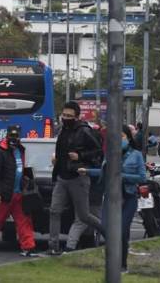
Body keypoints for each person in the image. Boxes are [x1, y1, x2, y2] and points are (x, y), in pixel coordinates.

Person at [78, 125, 146, 273]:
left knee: (122, 231)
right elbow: (104, 173)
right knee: (107, 229)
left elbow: (142, 177)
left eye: (121, 137)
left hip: (128, 198)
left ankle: (122, 264)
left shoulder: (136, 155)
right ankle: (113, 260)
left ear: (128, 137)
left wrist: (121, 177)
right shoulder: (109, 154)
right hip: (111, 199)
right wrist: (88, 171)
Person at [48, 101, 104, 255]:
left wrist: (80, 156)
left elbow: (98, 152)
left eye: (69, 116)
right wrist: (56, 159)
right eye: (64, 115)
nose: (65, 118)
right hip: (61, 176)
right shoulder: (62, 130)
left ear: (76, 117)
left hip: (77, 177)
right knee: (54, 210)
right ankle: (53, 246)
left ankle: (108, 233)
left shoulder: (84, 131)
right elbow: (61, 150)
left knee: (84, 215)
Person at [0, 125, 38, 257]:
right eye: (11, 136)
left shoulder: (20, 150)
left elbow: (20, 169)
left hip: (18, 193)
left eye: (16, 136)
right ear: (7, 136)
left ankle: (28, 247)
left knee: (24, 221)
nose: (13, 139)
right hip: (5, 194)